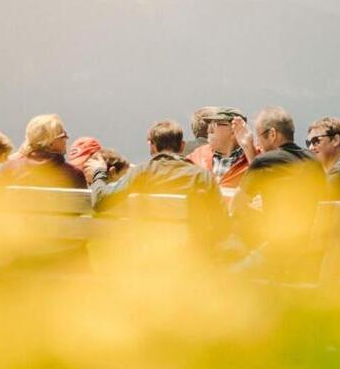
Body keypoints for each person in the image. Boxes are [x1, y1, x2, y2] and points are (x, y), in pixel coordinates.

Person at [86, 120, 228, 247]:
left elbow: (101, 200)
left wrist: (99, 172)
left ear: (152, 146)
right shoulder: (202, 177)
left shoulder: (142, 173)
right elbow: (221, 222)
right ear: (182, 146)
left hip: (149, 253)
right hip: (192, 256)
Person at [229, 107, 327, 275]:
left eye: (259, 137)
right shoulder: (314, 161)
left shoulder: (265, 162)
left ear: (273, 134)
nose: (258, 143)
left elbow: (235, 207)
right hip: (311, 256)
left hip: (277, 254)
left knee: (225, 273)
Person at [0, 114, 86, 190]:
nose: (67, 138)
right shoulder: (75, 175)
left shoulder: (11, 168)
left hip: (16, 230)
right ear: (50, 142)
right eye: (63, 135)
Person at [187, 107, 251, 188]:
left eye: (215, 124)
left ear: (234, 129)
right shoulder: (197, 156)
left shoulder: (252, 158)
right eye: (209, 124)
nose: (209, 130)